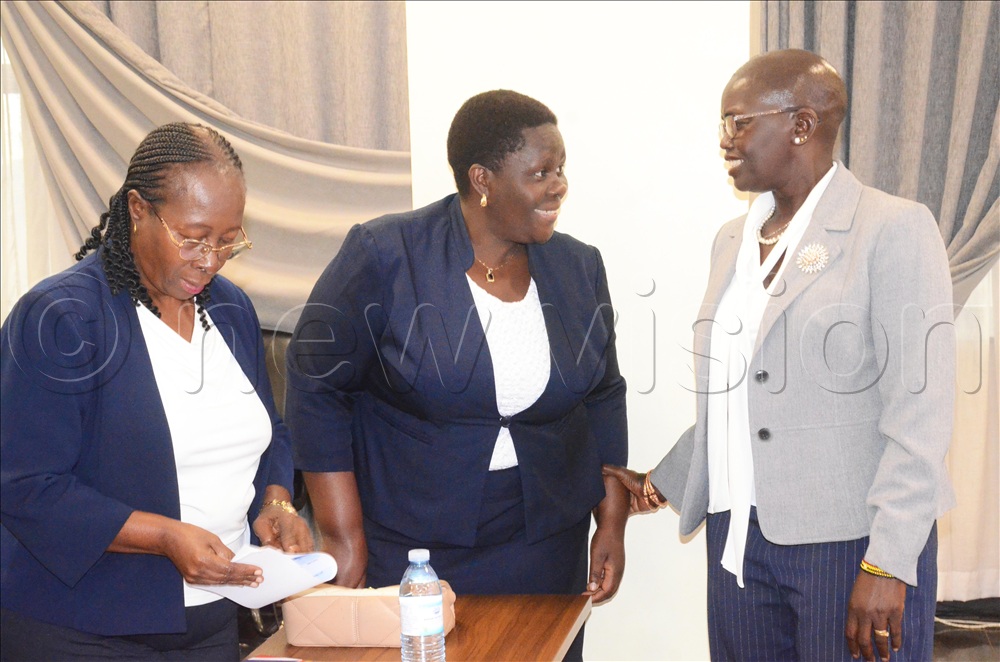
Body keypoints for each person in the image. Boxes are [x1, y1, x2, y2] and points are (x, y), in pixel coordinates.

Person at [604, 50, 955, 662]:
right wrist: (656, 483)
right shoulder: (732, 240)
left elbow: (920, 415)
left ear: (801, 125)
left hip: (848, 546)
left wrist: (889, 560)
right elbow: (746, 392)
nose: (724, 140)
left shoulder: (891, 228)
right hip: (738, 544)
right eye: (722, 124)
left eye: (738, 122)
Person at [286, 90, 629, 655]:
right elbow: (316, 384)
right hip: (415, 545)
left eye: (561, 169)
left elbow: (604, 394)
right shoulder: (386, 253)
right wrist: (342, 535)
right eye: (541, 172)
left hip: (546, 542)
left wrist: (609, 521)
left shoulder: (577, 265)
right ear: (483, 179)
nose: (559, 184)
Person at [0, 122, 313, 661]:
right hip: (82, 630)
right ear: (138, 210)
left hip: (214, 620)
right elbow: (25, 483)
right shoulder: (62, 317)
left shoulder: (230, 308)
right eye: (192, 237)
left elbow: (270, 433)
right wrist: (165, 536)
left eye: (227, 239)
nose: (210, 259)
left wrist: (277, 500)